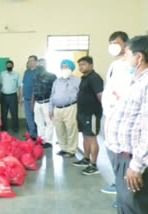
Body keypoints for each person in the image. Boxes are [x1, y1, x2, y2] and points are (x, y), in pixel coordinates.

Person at [105, 35, 148, 214]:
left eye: (127, 54)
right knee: (125, 202)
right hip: (121, 154)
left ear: (139, 57)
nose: (124, 58)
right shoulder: (136, 81)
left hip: (131, 158)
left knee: (133, 206)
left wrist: (137, 165)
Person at [101, 31, 130, 202]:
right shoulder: (114, 65)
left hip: (124, 117)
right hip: (110, 115)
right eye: (111, 42)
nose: (113, 45)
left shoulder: (131, 64)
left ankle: (125, 193)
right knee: (112, 152)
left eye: (117, 42)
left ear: (125, 44)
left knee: (124, 155)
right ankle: (118, 184)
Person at [73, 56, 103, 175]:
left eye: (84, 64)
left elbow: (100, 95)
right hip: (82, 113)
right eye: (80, 65)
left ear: (91, 65)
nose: (81, 67)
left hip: (92, 114)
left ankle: (94, 165)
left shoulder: (95, 78)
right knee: (85, 137)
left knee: (92, 138)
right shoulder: (84, 78)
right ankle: (86, 159)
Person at [49, 59, 80, 158]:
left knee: (71, 129)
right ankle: (63, 148)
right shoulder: (56, 81)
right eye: (63, 67)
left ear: (71, 69)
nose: (64, 69)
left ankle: (71, 150)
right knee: (59, 129)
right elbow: (52, 96)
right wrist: (50, 109)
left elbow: (81, 96)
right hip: (57, 109)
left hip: (70, 108)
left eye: (67, 67)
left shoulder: (77, 81)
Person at [31, 62, 57, 148]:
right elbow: (34, 90)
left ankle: (48, 141)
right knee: (39, 122)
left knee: (49, 122)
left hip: (47, 102)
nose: (39, 65)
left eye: (42, 64)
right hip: (37, 103)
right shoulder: (36, 76)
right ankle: (41, 140)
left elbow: (55, 90)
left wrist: (53, 104)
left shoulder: (52, 76)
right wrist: (32, 101)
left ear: (46, 65)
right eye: (38, 64)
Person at [0, 60, 22, 133]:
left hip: (13, 96)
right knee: (3, 113)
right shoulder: (2, 74)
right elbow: (0, 84)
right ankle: (4, 129)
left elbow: (19, 86)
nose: (8, 66)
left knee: (14, 113)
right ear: (6, 66)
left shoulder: (16, 74)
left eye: (10, 65)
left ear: (12, 66)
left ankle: (15, 128)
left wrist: (20, 97)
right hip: (3, 96)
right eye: (7, 65)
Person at [22, 55, 39, 140]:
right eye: (29, 61)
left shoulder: (38, 72)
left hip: (36, 99)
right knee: (29, 118)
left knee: (37, 117)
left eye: (31, 61)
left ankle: (38, 134)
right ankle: (32, 134)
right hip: (26, 98)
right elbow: (24, 84)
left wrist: (33, 99)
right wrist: (22, 96)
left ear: (36, 62)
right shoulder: (26, 72)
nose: (30, 62)